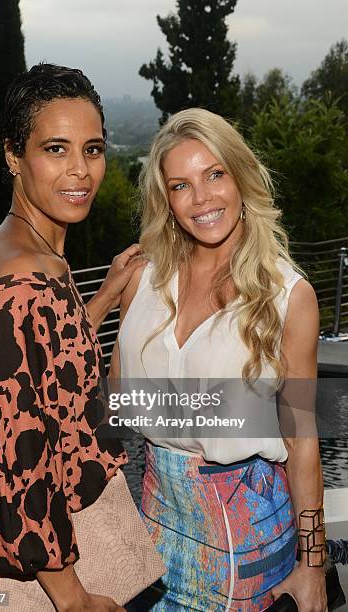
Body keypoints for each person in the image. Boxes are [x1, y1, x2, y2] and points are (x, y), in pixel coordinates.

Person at [110, 109, 327, 611]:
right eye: (181, 185)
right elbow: (119, 406)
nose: (202, 198)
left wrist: (312, 564)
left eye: (214, 174)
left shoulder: (288, 297)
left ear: (240, 176)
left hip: (248, 545)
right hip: (153, 530)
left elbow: (302, 440)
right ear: (166, 200)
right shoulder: (143, 281)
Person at [0, 63, 146, 612]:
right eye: (56, 149)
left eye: (93, 149)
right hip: (44, 579)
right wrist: (75, 599)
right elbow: (17, 466)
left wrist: (105, 295)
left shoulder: (35, 255)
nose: (80, 172)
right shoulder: (17, 281)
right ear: (14, 156)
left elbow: (41, 368)